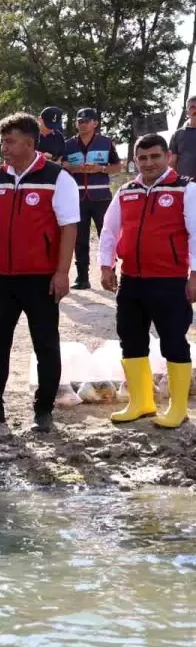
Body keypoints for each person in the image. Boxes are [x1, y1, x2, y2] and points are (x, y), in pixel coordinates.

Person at [0, 112, 79, 433]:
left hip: (42, 279)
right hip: (4, 278)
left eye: (10, 141)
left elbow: (69, 228)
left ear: (29, 143)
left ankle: (43, 410)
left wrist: (62, 273)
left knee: (45, 344)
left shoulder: (57, 177)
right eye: (2, 141)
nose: (4, 147)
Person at [99, 134, 196, 428]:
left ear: (168, 157)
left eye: (155, 156)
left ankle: (178, 409)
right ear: (135, 160)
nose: (149, 163)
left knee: (173, 342)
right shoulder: (126, 191)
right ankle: (141, 403)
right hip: (132, 281)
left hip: (170, 281)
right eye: (142, 158)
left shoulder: (186, 189)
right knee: (131, 340)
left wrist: (195, 275)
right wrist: (106, 265)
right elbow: (109, 230)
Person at [63, 107, 121, 290]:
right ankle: (82, 277)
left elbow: (118, 166)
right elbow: (62, 164)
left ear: (95, 123)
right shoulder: (68, 144)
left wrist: (101, 169)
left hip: (101, 197)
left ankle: (112, 275)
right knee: (79, 238)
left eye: (86, 121)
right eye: (79, 121)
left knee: (108, 237)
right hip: (77, 197)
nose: (82, 124)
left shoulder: (106, 142)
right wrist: (73, 168)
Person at [169, 95, 196, 180]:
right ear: (187, 112)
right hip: (185, 186)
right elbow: (172, 162)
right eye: (192, 107)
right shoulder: (177, 135)